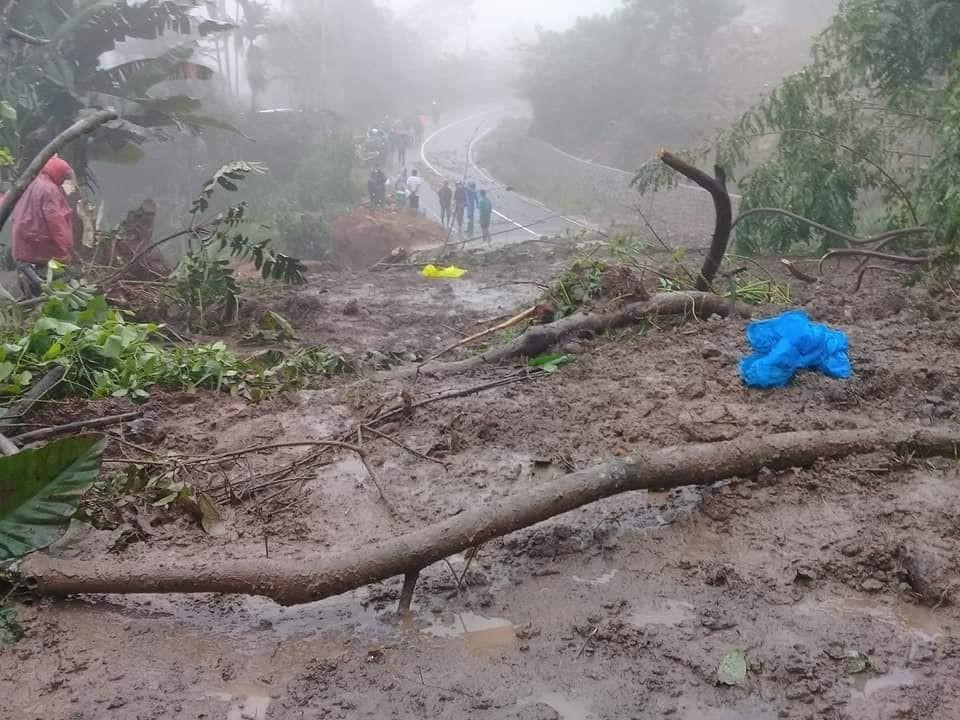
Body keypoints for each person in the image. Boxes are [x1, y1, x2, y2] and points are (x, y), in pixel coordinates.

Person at [11, 156, 75, 297]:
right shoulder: (50, 189)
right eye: (64, 177)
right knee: (60, 276)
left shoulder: (35, 183)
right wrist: (65, 248)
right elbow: (56, 222)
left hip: (24, 238)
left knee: (27, 273)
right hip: (38, 240)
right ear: (59, 173)